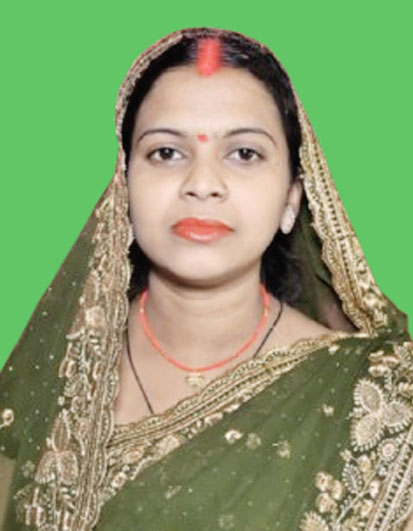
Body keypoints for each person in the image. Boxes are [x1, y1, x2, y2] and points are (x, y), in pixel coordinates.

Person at [0, 26, 412, 530]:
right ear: (123, 186)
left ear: (292, 199)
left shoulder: (382, 402)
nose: (202, 184)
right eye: (166, 153)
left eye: (244, 153)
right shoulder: (50, 376)